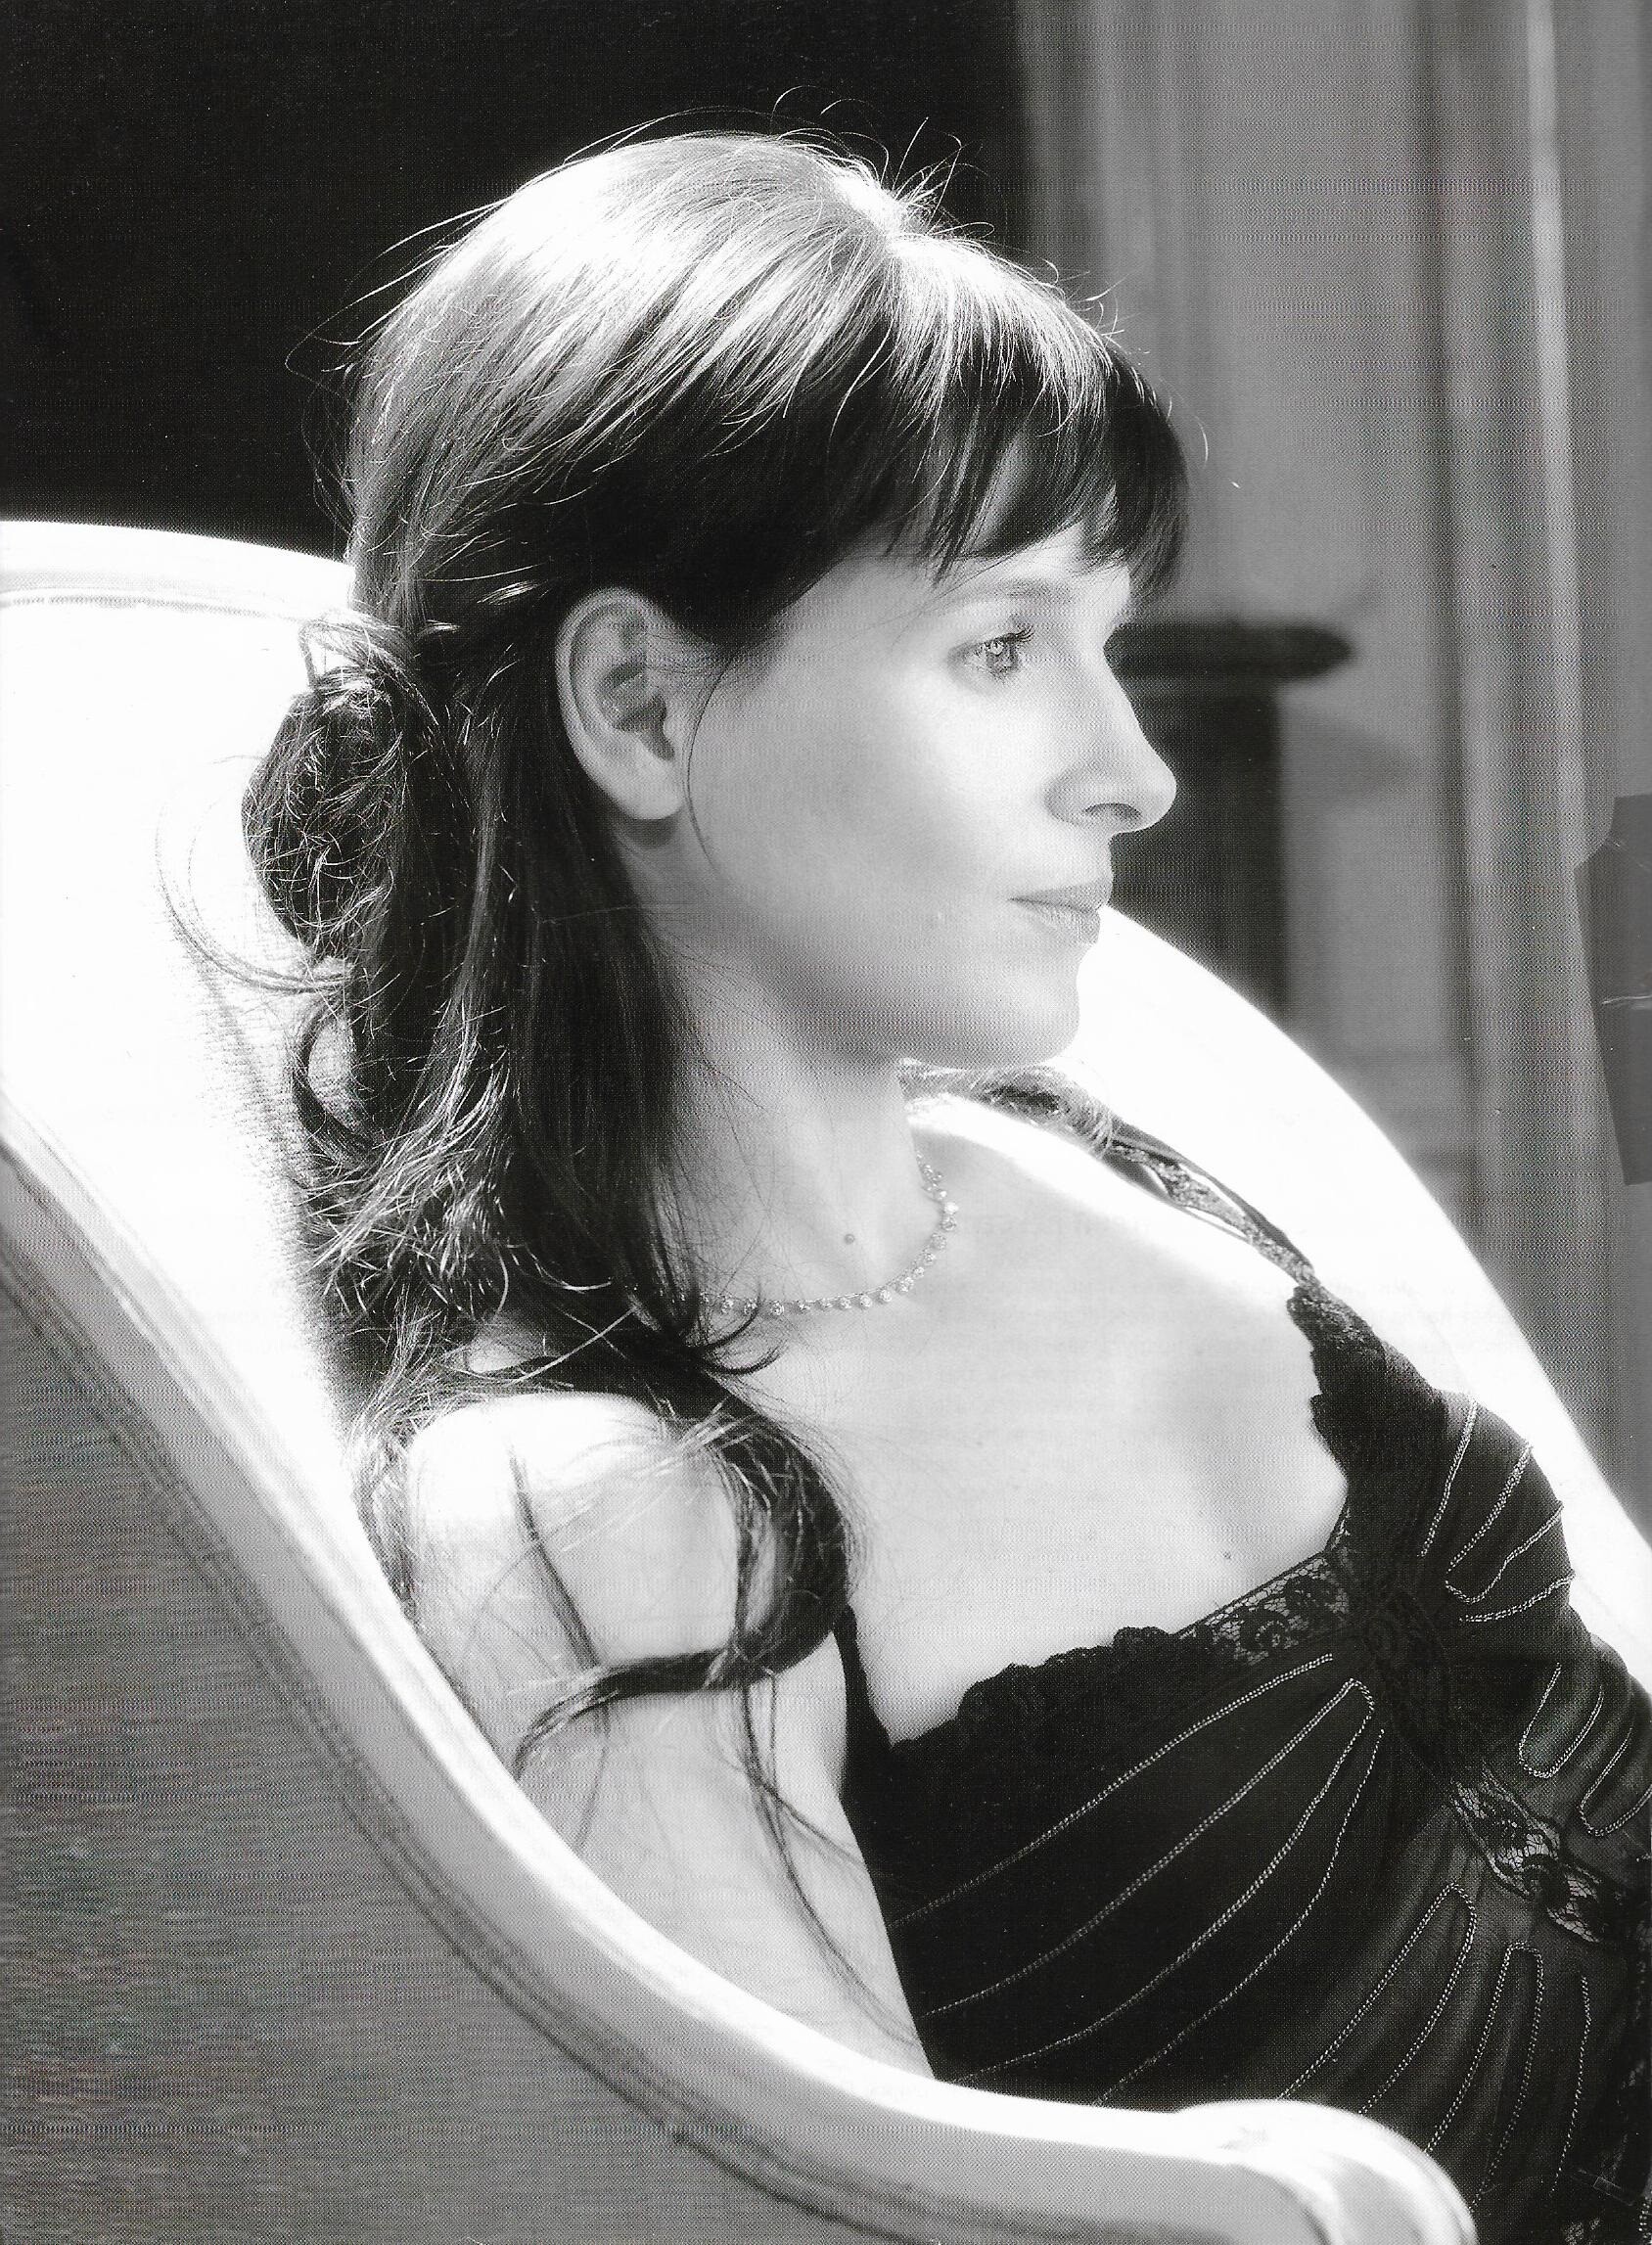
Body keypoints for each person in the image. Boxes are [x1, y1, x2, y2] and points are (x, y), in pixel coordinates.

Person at [244, 131, 1650, 2242]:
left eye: (1107, 638)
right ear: (637, 702)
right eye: (1000, 647)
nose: (1134, 770)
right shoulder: (609, 1516)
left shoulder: (1086, 1152)